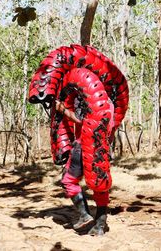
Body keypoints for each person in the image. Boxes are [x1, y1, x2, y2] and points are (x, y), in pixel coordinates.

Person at [55, 99, 114, 236]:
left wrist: (62, 109)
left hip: (83, 145)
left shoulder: (89, 96)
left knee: (68, 180)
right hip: (102, 147)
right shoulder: (109, 102)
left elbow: (81, 119)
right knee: (100, 184)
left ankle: (84, 215)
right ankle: (100, 226)